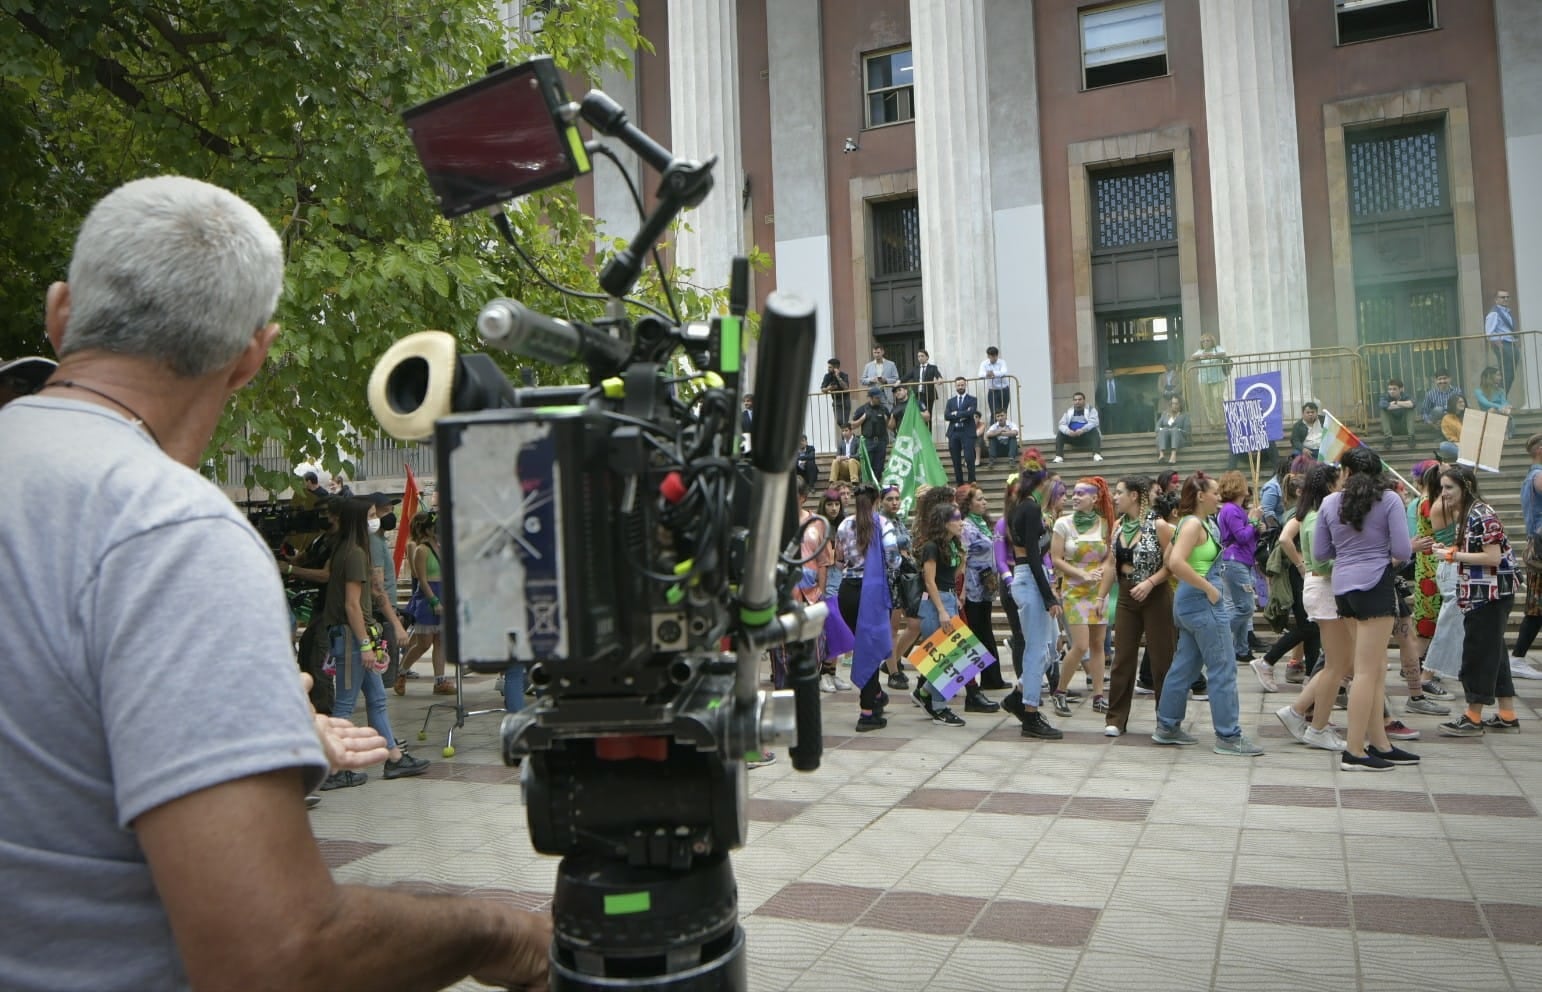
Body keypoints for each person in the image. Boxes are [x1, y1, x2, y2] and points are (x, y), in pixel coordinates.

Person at [0, 176, 549, 991]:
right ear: (254, 353)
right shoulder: (171, 532)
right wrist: (508, 936)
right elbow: (279, 952)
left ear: (59, 313)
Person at [1314, 446, 1417, 770]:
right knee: (1367, 672)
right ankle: (1354, 750)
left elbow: (1320, 552)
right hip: (1375, 586)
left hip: (1343, 588)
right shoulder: (1389, 500)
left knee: (1372, 669)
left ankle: (1380, 743)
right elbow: (1402, 549)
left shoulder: (1330, 502)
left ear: (1345, 471)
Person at [319, 497, 431, 788]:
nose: (377, 518)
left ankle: (393, 758)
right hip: (352, 638)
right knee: (344, 705)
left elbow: (375, 594)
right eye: (371, 514)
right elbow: (352, 605)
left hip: (357, 637)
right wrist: (365, 646)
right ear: (359, 520)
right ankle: (333, 769)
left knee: (378, 700)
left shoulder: (355, 550)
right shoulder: (354, 553)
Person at [1153, 473, 1264, 756]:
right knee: (1223, 667)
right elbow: (1175, 562)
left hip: (1190, 601)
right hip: (1203, 601)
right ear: (1201, 496)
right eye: (1214, 492)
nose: (1219, 496)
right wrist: (1208, 588)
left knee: (1185, 666)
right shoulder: (1193, 525)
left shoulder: (1193, 523)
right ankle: (1228, 735)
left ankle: (1167, 726)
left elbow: (1170, 558)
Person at [1432, 466, 1522, 735]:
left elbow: (1492, 558)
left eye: (1449, 488)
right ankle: (1507, 714)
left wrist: (1452, 557)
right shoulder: (1471, 513)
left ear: (1466, 487)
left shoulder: (1481, 515)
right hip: (1485, 593)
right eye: (1442, 488)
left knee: (1477, 655)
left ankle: (1473, 717)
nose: (1444, 494)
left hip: (1490, 594)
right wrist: (1452, 551)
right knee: (1494, 654)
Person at [1274, 463, 1355, 752]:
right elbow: (1322, 562)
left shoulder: (1312, 513)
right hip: (1324, 588)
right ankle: (1317, 726)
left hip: (1321, 588)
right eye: (1341, 482)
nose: (1344, 487)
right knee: (1337, 665)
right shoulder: (1318, 516)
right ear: (1330, 487)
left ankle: (1297, 711)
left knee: (1339, 663)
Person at [1098, 476, 1174, 737]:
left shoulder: (1159, 525)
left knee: (1162, 659)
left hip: (1156, 596)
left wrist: (1151, 583)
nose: (1114, 497)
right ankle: (1116, 718)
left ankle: (1166, 719)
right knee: (1122, 658)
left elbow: (1172, 564)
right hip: (1127, 596)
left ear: (1134, 496)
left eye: (1119, 493)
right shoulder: (1118, 526)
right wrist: (1100, 597)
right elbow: (1110, 564)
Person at [1000, 450, 1066, 740]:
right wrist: (1049, 596)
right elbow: (1034, 558)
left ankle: (1018, 696)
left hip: (1033, 580)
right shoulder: (1028, 509)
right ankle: (1029, 712)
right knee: (1037, 649)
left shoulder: (1028, 508)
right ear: (1043, 483)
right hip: (1029, 580)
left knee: (1049, 649)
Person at [1048, 478, 1114, 717]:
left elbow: (1110, 556)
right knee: (1081, 645)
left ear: (1095, 499)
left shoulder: (1106, 525)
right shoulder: (1062, 524)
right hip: (1074, 590)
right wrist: (1082, 574)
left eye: (1082, 494)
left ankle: (1098, 696)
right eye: (1074, 493)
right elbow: (1056, 559)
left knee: (1099, 645)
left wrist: (1102, 573)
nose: (1075, 497)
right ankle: (1060, 692)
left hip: (1099, 591)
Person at [837, 485, 899, 731]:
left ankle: (874, 695)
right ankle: (867, 712)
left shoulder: (843, 525)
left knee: (864, 646)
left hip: (847, 591)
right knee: (870, 649)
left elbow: (839, 558)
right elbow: (894, 558)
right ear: (876, 501)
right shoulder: (883, 525)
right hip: (870, 592)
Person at [956, 485, 1008, 695]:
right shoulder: (966, 527)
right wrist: (962, 590)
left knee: (984, 630)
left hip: (986, 587)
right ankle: (939, 681)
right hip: (972, 588)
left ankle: (992, 678)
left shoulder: (983, 524)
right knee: (972, 633)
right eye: (979, 499)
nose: (984, 502)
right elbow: (963, 557)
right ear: (968, 504)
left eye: (984, 498)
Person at [1215, 471, 1263, 667]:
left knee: (1242, 605)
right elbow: (1242, 536)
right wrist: (1252, 521)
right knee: (1245, 607)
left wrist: (1256, 526)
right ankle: (1219, 636)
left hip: (1240, 561)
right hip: (1235, 561)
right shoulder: (1232, 510)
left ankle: (1241, 648)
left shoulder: (1232, 509)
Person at [1509, 434, 1542, 681]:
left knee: (1537, 608)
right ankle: (1518, 658)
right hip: (1540, 549)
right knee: (1536, 608)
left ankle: (1518, 657)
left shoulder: (1531, 476)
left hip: (1537, 548)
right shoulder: (1538, 476)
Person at [943, 376, 981, 484]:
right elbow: (946, 416)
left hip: (967, 432)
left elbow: (971, 413)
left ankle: (972, 482)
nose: (960, 387)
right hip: (954, 432)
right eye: (958, 385)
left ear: (966, 385)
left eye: (962, 385)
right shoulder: (950, 401)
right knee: (956, 460)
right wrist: (962, 414)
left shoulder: (972, 399)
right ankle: (960, 484)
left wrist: (955, 413)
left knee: (969, 458)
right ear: (955, 386)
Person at [1189, 334, 1230, 427]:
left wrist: (1213, 354)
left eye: (1208, 341)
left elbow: (1223, 354)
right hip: (1204, 380)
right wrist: (1202, 355)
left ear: (1212, 342)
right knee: (1207, 401)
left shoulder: (1217, 349)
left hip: (1218, 379)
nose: (1205, 343)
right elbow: (1192, 357)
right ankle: (1213, 422)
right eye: (1203, 341)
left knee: (1217, 398)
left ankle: (1222, 421)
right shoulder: (1200, 351)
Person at [851, 387, 891, 480]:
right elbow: (852, 425)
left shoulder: (884, 409)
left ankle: (877, 490)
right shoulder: (862, 409)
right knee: (867, 467)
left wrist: (887, 419)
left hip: (881, 441)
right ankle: (867, 488)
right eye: (877, 398)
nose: (879, 399)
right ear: (871, 398)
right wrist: (863, 418)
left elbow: (890, 425)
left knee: (879, 468)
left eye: (880, 397)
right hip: (868, 442)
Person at [1053, 391, 1103, 463]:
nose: (1077, 401)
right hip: (1073, 437)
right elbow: (1061, 424)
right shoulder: (1069, 411)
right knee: (1060, 433)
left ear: (1084, 400)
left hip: (1086, 437)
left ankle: (1096, 454)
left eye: (1080, 399)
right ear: (1073, 401)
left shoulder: (1091, 409)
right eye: (1075, 400)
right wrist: (1068, 431)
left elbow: (1093, 422)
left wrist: (1083, 430)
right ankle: (1059, 456)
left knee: (1094, 430)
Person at [1485, 289, 1518, 392]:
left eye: (1508, 297)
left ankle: (1502, 399)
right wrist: (1499, 344)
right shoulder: (1494, 313)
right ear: (1496, 300)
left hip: (1510, 343)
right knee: (1505, 374)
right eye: (1503, 297)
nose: (1506, 299)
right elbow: (1489, 333)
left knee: (1510, 375)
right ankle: (1501, 400)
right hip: (1503, 344)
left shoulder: (1506, 312)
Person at [1473, 365, 1513, 440]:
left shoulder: (1501, 391)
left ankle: (1505, 433)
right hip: (1487, 418)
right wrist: (1500, 407)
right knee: (1492, 410)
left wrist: (1507, 406)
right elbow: (1486, 403)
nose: (1500, 377)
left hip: (1502, 415)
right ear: (1490, 376)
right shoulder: (1478, 391)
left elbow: (1504, 402)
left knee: (1504, 410)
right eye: (1498, 375)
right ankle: (1502, 433)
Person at [1378, 377, 1417, 447]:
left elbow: (1412, 404)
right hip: (1391, 428)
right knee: (1383, 410)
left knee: (1410, 409)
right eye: (1389, 389)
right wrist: (1404, 404)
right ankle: (1388, 438)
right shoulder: (1385, 397)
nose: (1391, 391)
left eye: (1394, 389)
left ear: (1401, 389)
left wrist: (1396, 403)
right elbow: (1383, 405)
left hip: (1404, 428)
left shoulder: (1406, 396)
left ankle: (1411, 436)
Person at [912, 347, 943, 425]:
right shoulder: (915, 369)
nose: (920, 358)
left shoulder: (932, 367)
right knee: (918, 416)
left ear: (927, 357)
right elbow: (906, 377)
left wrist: (939, 379)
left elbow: (938, 375)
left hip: (928, 395)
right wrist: (898, 381)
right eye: (918, 356)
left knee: (928, 416)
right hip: (917, 395)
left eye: (922, 356)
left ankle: (929, 436)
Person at [1155, 396, 1189, 464]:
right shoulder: (1165, 414)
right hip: (1166, 441)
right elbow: (1157, 428)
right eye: (1173, 403)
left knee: (1175, 430)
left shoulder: (1185, 416)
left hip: (1178, 440)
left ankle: (1173, 455)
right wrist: (1164, 429)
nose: (1174, 406)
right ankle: (1161, 455)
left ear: (1180, 405)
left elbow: (1187, 432)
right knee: (1164, 430)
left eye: (1176, 404)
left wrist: (1178, 430)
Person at [821, 357, 852, 433]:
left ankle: (846, 440)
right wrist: (829, 388)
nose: (828, 369)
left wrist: (838, 377)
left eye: (830, 367)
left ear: (835, 367)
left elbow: (846, 388)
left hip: (845, 400)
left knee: (844, 423)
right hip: (836, 401)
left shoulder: (844, 375)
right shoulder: (827, 376)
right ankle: (848, 436)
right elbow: (822, 389)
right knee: (839, 421)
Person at [980, 345, 1010, 417]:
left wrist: (992, 373)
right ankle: (994, 428)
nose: (993, 358)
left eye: (995, 356)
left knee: (1004, 411)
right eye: (991, 356)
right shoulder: (984, 363)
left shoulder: (1002, 362)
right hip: (993, 391)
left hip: (1004, 390)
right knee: (994, 413)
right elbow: (980, 374)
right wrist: (988, 374)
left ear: (997, 355)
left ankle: (1004, 427)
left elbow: (1004, 372)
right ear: (988, 356)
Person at [1439, 393, 1466, 461]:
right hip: (1458, 446)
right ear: (1453, 403)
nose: (1462, 404)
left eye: (1463, 402)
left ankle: (1468, 456)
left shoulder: (1469, 415)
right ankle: (1467, 456)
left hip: (1472, 444)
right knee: (1443, 445)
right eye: (1459, 402)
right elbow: (1450, 436)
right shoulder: (1447, 418)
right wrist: (1459, 443)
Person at [1098, 366, 1125, 435]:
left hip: (1117, 405)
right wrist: (1101, 405)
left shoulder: (1119, 383)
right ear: (1105, 375)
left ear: (1113, 374)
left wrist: (1121, 404)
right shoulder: (1101, 384)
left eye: (1110, 373)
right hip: (1106, 406)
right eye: (1107, 373)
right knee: (1106, 423)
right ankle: (1106, 436)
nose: (1108, 374)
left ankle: (1118, 435)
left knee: (1117, 422)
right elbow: (1097, 395)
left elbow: (1124, 394)